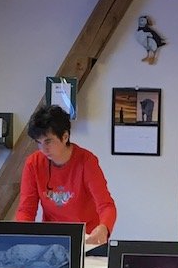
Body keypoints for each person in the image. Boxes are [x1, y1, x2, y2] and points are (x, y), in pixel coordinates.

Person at [16, 104, 116, 251]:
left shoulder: (86, 161)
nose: (43, 149)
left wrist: (104, 228)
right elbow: (26, 209)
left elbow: (106, 205)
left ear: (65, 137)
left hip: (88, 239)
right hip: (52, 240)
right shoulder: (33, 163)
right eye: (39, 143)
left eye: (48, 141)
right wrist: (22, 237)